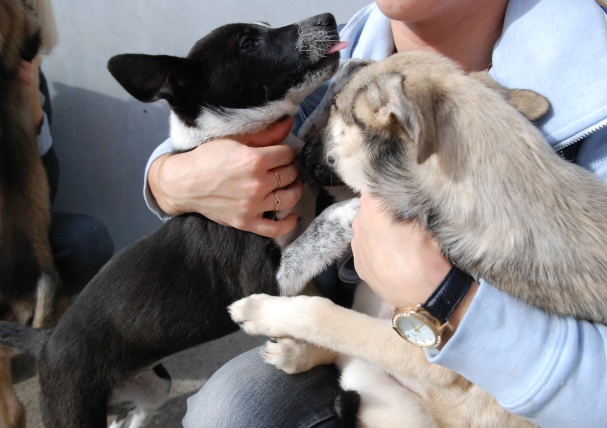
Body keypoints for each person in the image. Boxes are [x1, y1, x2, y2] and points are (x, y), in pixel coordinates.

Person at [144, 0, 607, 426]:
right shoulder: (354, 46)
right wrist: (169, 179)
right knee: (232, 405)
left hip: (508, 390)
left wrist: (447, 301)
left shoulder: (589, 87)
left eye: (336, 120)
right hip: (365, 351)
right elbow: (217, 107)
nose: (317, 129)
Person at [0, 0, 114, 390]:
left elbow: (44, 190)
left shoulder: (25, 72)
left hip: (11, 225)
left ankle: (24, 319)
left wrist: (33, 112)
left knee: (87, 240)